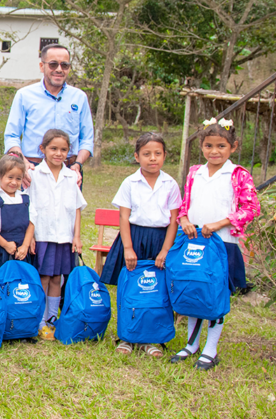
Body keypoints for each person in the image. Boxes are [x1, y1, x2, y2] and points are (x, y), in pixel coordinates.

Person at [170, 118, 261, 370]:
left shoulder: (238, 174)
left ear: (233, 146)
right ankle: (191, 344)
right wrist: (185, 220)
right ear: (201, 146)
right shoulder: (194, 173)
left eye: (221, 146)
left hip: (222, 244)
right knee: (193, 289)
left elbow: (251, 208)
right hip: (194, 242)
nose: (214, 151)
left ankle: (211, 349)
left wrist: (220, 223)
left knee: (215, 293)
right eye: (209, 146)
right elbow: (185, 206)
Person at [100, 133, 181, 357]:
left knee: (156, 291)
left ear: (164, 156)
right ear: (137, 156)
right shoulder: (130, 182)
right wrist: (128, 248)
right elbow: (124, 217)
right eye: (146, 154)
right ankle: (126, 337)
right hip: (133, 239)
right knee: (131, 289)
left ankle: (152, 339)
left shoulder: (170, 184)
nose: (152, 158)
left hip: (160, 241)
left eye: (157, 153)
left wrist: (165, 250)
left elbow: (174, 220)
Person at [3, 44, 93, 188]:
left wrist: (77, 164)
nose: (59, 69)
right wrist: (23, 164)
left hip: (69, 170)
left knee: (69, 211)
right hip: (32, 170)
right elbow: (11, 136)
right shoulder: (24, 95)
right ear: (41, 66)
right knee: (30, 211)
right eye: (53, 64)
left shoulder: (79, 97)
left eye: (64, 65)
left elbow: (87, 139)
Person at [27, 129, 87, 341]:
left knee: (58, 279)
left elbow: (77, 209)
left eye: (63, 149)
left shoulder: (72, 177)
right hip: (43, 235)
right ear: (42, 149)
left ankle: (52, 319)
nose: (58, 153)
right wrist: (30, 236)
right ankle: (39, 321)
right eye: (53, 148)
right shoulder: (34, 175)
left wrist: (77, 236)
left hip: (64, 237)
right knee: (43, 277)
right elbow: (29, 208)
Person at [0, 151, 36, 272]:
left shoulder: (25, 199)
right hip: (0, 250)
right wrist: (5, 245)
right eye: (10, 177)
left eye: (18, 178)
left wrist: (25, 246)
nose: (14, 182)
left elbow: (31, 223)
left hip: (21, 251)